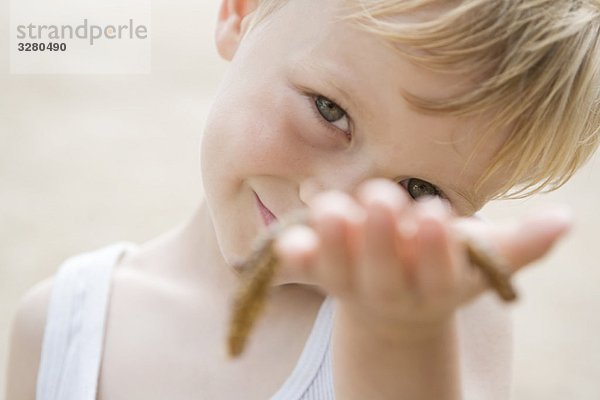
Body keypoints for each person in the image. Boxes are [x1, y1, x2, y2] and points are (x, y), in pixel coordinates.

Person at [6, 0, 599, 399]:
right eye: (329, 109)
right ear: (241, 11)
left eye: (421, 191)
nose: (331, 204)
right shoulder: (62, 325)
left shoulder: (438, 322)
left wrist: (397, 335)